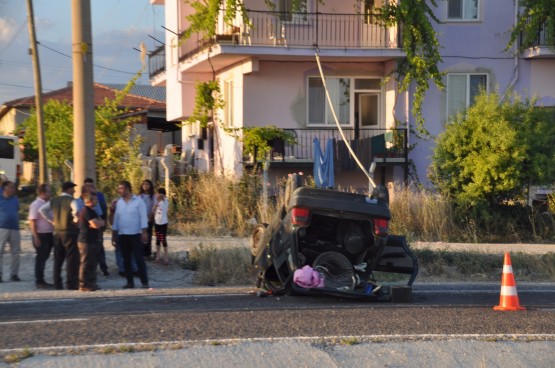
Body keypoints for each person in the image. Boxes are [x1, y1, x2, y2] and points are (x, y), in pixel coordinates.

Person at [40, 181, 80, 290]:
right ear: (68, 189)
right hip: (70, 233)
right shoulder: (71, 201)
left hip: (57, 233)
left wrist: (51, 220)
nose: (74, 190)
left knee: (58, 260)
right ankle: (71, 284)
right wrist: (76, 221)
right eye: (73, 188)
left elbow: (42, 210)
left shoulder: (54, 200)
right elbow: (76, 212)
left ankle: (58, 283)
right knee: (71, 259)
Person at [111, 180, 149, 289]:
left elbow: (143, 217)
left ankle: (144, 282)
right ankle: (129, 282)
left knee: (139, 258)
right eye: (119, 188)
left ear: (128, 189)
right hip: (123, 235)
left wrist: (144, 232)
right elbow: (116, 219)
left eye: (121, 188)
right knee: (126, 259)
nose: (119, 191)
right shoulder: (119, 202)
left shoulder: (138, 201)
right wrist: (114, 234)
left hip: (136, 234)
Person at [79, 178, 109, 277]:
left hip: (94, 235)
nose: (91, 188)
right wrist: (99, 222)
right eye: (89, 186)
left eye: (92, 186)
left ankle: (102, 270)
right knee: (86, 261)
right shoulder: (82, 205)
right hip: (86, 237)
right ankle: (84, 283)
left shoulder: (97, 198)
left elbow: (101, 218)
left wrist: (101, 223)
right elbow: (96, 224)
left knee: (97, 252)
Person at [28, 183, 55, 288]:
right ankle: (39, 281)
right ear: (43, 193)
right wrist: (36, 237)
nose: (51, 193)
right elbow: (32, 221)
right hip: (41, 235)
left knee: (45, 257)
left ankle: (41, 279)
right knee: (41, 258)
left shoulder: (48, 203)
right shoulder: (36, 204)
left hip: (49, 234)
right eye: (49, 191)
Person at [77, 191, 104, 292]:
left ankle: (91, 283)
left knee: (93, 263)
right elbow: (96, 224)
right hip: (86, 241)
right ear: (89, 201)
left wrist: (98, 223)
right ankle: (83, 284)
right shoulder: (86, 211)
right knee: (86, 263)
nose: (97, 200)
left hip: (92, 240)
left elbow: (101, 222)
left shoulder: (93, 211)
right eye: (95, 199)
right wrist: (97, 223)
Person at [109, 197, 137, 277]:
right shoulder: (115, 202)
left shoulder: (134, 202)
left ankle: (134, 268)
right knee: (119, 249)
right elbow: (111, 215)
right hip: (119, 229)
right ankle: (122, 269)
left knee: (131, 249)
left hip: (130, 229)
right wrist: (113, 228)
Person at [0, 181, 21, 282]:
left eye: (13, 187)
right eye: (11, 187)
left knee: (16, 252)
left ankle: (14, 274)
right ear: (5, 189)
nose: (14, 189)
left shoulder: (15, 199)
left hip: (14, 228)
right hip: (2, 228)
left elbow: (17, 211)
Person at [152, 187, 169, 265]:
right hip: (157, 223)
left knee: (163, 239)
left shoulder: (165, 201)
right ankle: (158, 256)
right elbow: (153, 210)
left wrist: (160, 196)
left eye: (158, 193)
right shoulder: (157, 202)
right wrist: (156, 203)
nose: (156, 195)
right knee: (158, 239)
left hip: (163, 223)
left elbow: (163, 197)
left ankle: (166, 257)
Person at [139, 179, 155, 259]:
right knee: (140, 236)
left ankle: (147, 253)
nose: (145, 186)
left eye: (147, 184)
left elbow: (154, 207)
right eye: (144, 184)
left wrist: (150, 216)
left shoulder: (153, 196)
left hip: (149, 219)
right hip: (141, 219)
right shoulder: (139, 196)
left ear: (150, 186)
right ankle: (140, 252)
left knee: (148, 235)